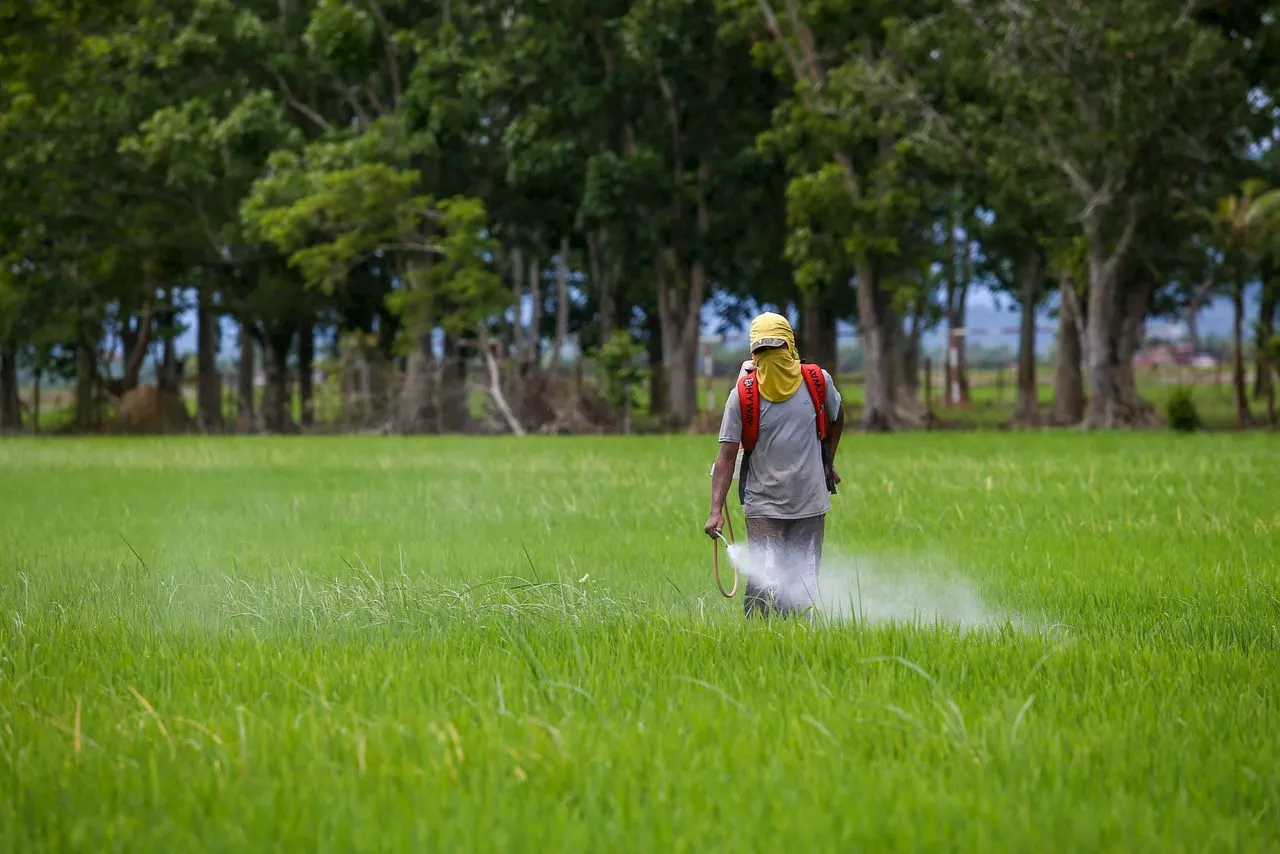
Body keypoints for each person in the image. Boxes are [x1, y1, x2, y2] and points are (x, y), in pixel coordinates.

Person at [704, 312, 844, 618]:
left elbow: (837, 416)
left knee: (803, 585)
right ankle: (758, 643)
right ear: (754, 354)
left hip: (810, 502)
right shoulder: (742, 395)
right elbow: (726, 457)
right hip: (764, 504)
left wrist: (827, 461)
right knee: (764, 584)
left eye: (775, 348)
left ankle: (794, 644)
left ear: (790, 346)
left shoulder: (818, 381)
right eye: (762, 351)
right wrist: (716, 510)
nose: (770, 357)